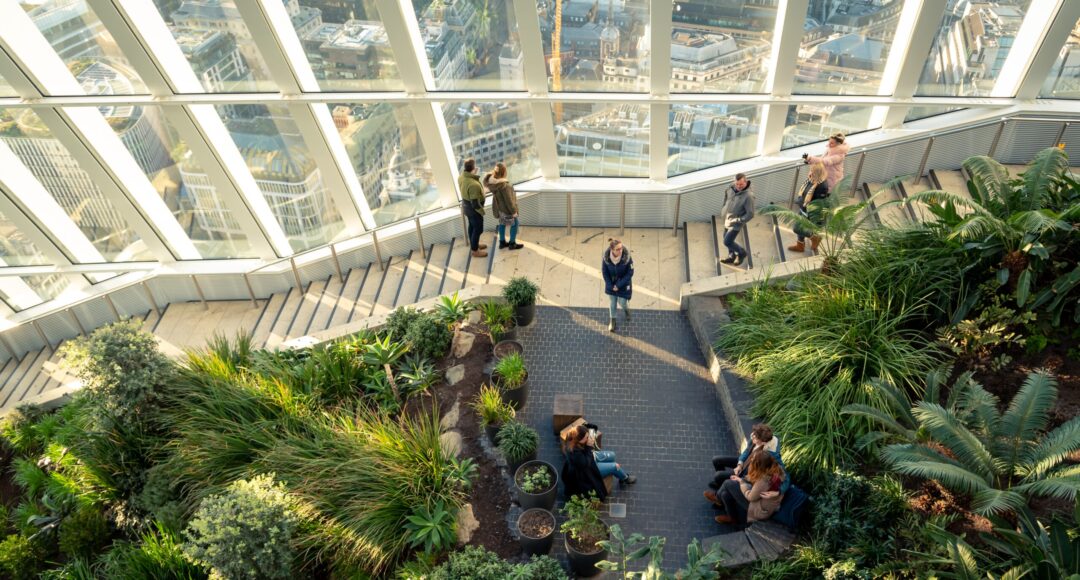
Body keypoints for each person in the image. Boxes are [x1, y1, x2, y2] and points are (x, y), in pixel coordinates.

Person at [561, 423, 636, 501]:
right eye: (586, 438)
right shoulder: (575, 454)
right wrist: (589, 446)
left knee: (612, 455)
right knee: (615, 467)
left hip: (589, 457)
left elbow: (589, 429)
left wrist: (590, 432)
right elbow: (586, 463)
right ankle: (624, 478)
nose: (588, 438)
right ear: (580, 440)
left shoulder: (573, 436)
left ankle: (613, 470)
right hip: (586, 470)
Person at [712, 449, 787, 526]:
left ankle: (718, 499)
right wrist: (742, 479)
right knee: (725, 494)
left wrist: (741, 482)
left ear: (759, 466)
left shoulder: (764, 481)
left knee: (728, 483)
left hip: (759, 509)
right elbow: (754, 478)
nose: (751, 459)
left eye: (753, 460)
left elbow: (750, 497)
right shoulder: (772, 468)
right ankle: (732, 518)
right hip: (758, 498)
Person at [706, 423, 782, 491]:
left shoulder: (770, 454)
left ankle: (723, 487)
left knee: (718, 475)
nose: (752, 437)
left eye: (755, 438)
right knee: (716, 460)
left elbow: (783, 474)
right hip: (744, 464)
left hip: (747, 473)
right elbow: (746, 451)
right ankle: (721, 483)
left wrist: (780, 492)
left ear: (763, 442)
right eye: (754, 435)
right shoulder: (755, 438)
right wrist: (739, 464)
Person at [788, 162, 829, 253]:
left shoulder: (822, 186)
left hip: (810, 213)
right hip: (803, 209)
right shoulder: (811, 180)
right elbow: (806, 193)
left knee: (797, 228)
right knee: (799, 227)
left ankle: (814, 237)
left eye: (812, 171)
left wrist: (804, 205)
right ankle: (800, 245)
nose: (810, 173)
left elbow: (818, 203)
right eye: (810, 170)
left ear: (817, 173)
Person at [483, 162, 523, 250]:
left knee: (502, 224)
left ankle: (502, 242)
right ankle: (512, 244)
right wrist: (514, 212)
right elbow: (509, 201)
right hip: (507, 210)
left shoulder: (493, 183)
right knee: (515, 224)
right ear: (504, 172)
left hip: (499, 209)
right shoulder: (505, 186)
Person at [720, 173, 755, 267]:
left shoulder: (748, 196)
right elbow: (726, 197)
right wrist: (724, 208)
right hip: (727, 218)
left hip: (736, 222)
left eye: (741, 184)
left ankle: (741, 253)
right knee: (725, 237)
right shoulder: (731, 187)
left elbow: (750, 214)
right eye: (737, 184)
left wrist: (738, 220)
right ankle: (731, 256)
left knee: (727, 241)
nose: (739, 186)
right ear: (734, 182)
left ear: (746, 182)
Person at [601, 238, 633, 332]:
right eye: (618, 249)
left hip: (623, 284)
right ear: (612, 250)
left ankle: (626, 310)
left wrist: (619, 285)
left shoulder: (626, 258)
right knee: (612, 303)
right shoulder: (606, 258)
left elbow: (630, 272)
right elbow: (604, 272)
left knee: (622, 302)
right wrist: (610, 285)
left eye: (621, 248)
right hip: (611, 284)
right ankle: (612, 321)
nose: (620, 250)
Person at [458, 158, 488, 258]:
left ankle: (474, 245)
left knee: (472, 227)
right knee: (478, 229)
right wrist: (481, 211)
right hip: (474, 210)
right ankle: (475, 251)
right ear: (473, 168)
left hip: (466, 207)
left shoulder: (461, 177)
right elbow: (475, 203)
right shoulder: (473, 184)